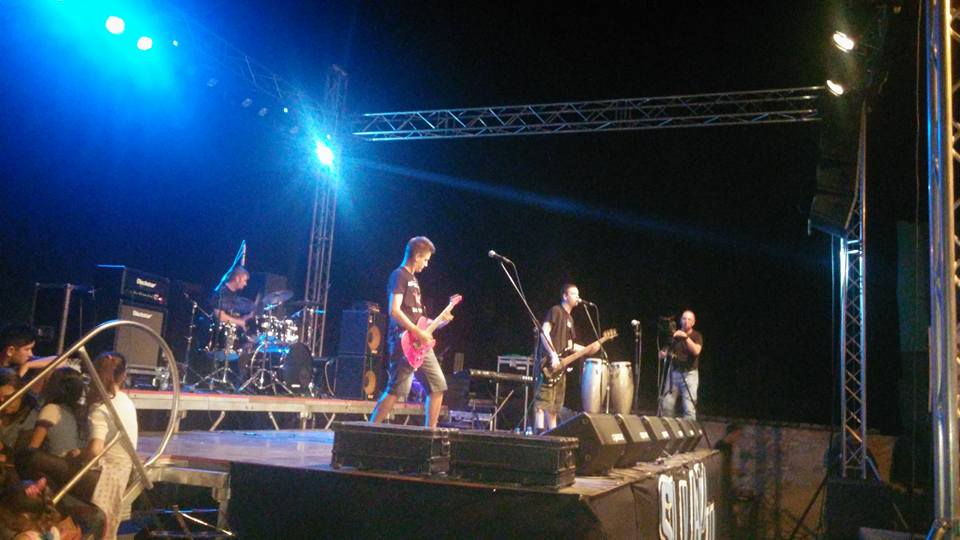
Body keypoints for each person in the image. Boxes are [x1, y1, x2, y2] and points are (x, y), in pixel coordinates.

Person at [370, 237, 452, 429]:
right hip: (404, 342)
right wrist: (416, 331)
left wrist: (440, 322)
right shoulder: (399, 275)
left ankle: (430, 434)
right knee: (396, 390)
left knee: (438, 386)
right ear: (416, 256)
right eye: (426, 259)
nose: (427, 264)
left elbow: (419, 318)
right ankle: (369, 430)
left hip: (420, 344)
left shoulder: (414, 280)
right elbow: (394, 310)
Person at [78, 352, 138, 540]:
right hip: (123, 471)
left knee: (36, 460)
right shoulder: (126, 401)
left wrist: (78, 455)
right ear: (123, 376)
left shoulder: (102, 407)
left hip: (107, 476)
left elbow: (95, 451)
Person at [534, 284, 600, 432]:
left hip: (561, 366)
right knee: (542, 403)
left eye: (578, 294)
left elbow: (570, 346)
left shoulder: (570, 319)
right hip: (548, 364)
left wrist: (588, 349)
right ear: (565, 296)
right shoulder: (556, 311)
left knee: (554, 407)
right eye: (574, 294)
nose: (578, 297)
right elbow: (544, 332)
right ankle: (539, 435)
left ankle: (552, 436)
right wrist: (552, 354)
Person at [658, 310, 703, 419]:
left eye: (689, 319)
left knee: (689, 409)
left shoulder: (696, 336)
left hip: (689, 375)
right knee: (666, 406)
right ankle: (668, 428)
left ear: (693, 322)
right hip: (673, 374)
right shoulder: (675, 335)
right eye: (684, 318)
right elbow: (666, 350)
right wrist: (663, 353)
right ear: (680, 320)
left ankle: (689, 429)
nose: (686, 321)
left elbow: (696, 351)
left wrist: (686, 337)